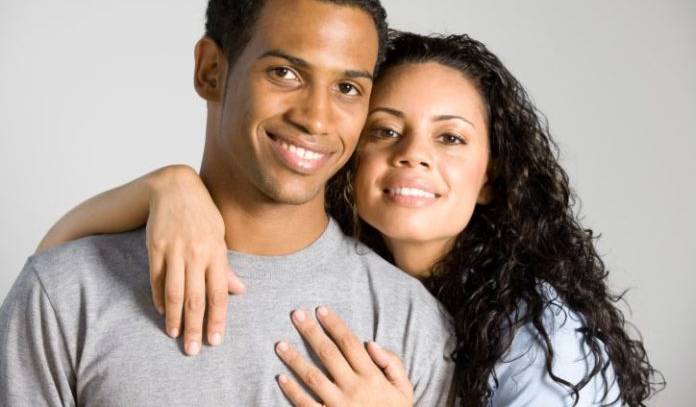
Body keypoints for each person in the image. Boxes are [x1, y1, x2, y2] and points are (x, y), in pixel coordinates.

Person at [37, 30, 664, 406]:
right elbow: (52, 268)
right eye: (386, 130)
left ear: (494, 179)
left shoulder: (538, 337)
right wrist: (164, 187)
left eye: (450, 139)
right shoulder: (375, 284)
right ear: (347, 156)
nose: (412, 154)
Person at [0, 0, 456, 406]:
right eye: (285, 72)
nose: (317, 119)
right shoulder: (66, 291)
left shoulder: (411, 324)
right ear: (211, 71)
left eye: (347, 88)